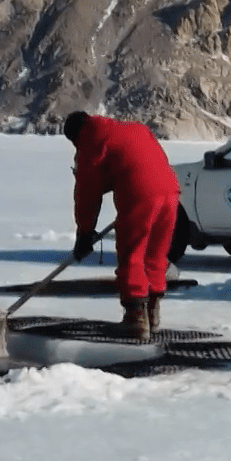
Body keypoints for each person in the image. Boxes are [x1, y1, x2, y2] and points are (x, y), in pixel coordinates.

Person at [63, 110, 181, 340]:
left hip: (140, 193)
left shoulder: (91, 138)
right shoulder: (134, 128)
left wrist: (84, 232)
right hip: (170, 191)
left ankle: (136, 320)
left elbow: (88, 191)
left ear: (76, 134)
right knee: (155, 254)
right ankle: (152, 315)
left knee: (132, 253)